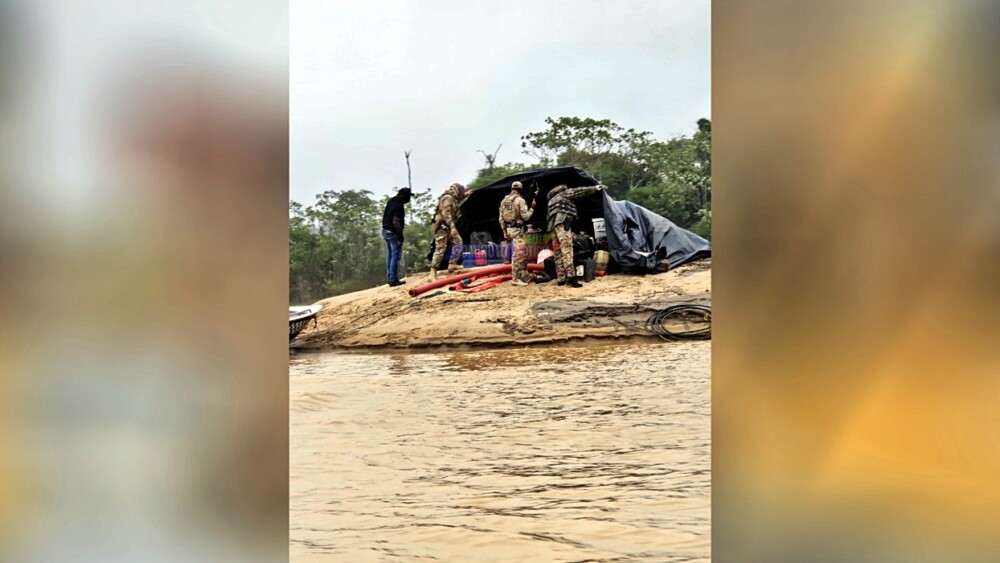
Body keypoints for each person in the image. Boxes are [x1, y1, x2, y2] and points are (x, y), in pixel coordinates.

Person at [546, 183, 605, 287]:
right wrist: (594, 188)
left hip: (553, 228)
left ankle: (561, 278)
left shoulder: (551, 201)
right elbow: (579, 190)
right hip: (563, 224)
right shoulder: (564, 194)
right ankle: (571, 277)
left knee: (558, 253)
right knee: (567, 250)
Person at [499, 181, 536, 286]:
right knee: (518, 255)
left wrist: (504, 231)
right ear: (520, 189)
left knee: (523, 253)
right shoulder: (520, 200)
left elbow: (501, 218)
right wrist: (532, 208)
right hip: (518, 230)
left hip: (509, 229)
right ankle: (515, 278)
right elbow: (526, 217)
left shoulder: (504, 201)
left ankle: (524, 275)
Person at [429, 182, 466, 280]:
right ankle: (432, 273)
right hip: (442, 227)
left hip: (447, 226)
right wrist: (452, 226)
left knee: (458, 242)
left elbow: (459, 198)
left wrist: (467, 194)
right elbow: (446, 213)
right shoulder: (448, 198)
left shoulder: (452, 198)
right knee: (440, 249)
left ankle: (452, 264)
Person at [381, 187, 411, 287]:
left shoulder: (391, 201)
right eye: (408, 196)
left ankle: (390, 278)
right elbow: (396, 222)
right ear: (403, 196)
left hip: (385, 231)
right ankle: (393, 280)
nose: (409, 199)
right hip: (393, 233)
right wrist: (400, 236)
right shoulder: (398, 206)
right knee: (395, 256)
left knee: (390, 255)